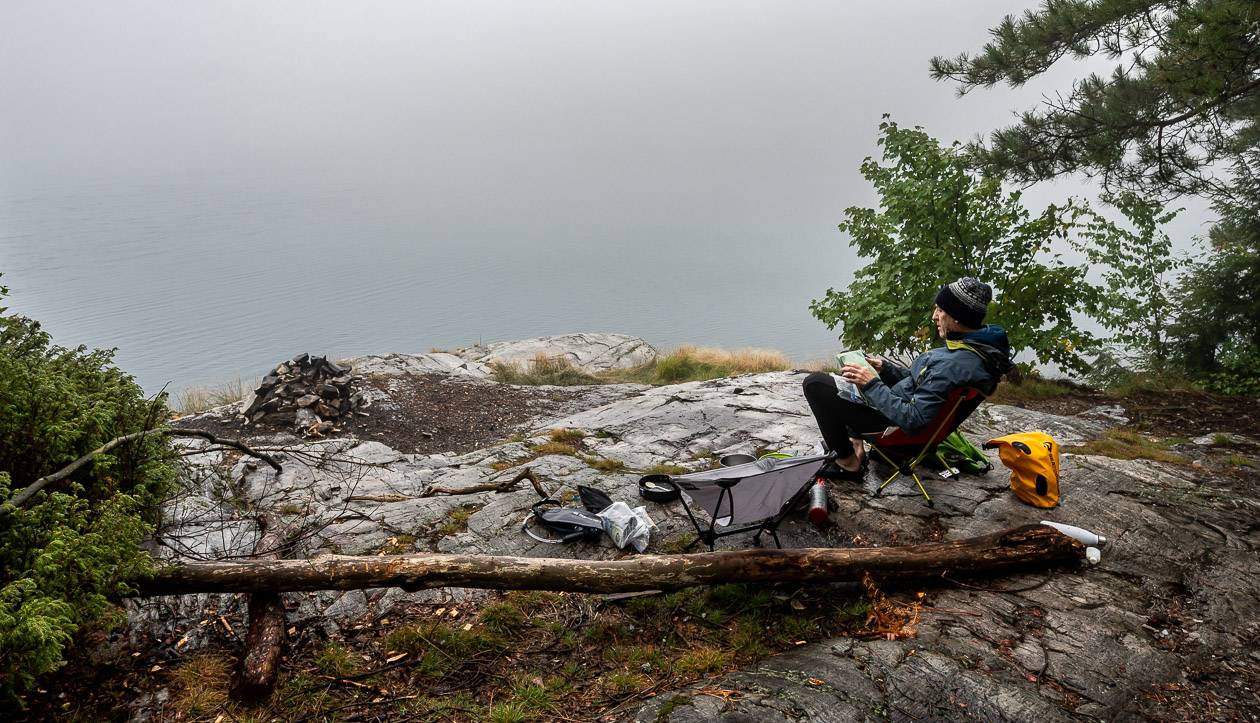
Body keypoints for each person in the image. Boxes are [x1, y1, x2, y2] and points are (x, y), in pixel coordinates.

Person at [802, 277, 1013, 480]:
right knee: (855, 381)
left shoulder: (953, 365)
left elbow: (913, 420)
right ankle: (855, 445)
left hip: (898, 434)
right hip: (914, 427)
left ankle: (848, 464)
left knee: (816, 384)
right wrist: (886, 370)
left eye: (940, 310)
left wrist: (872, 384)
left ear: (957, 316)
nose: (934, 316)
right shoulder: (974, 353)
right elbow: (924, 384)